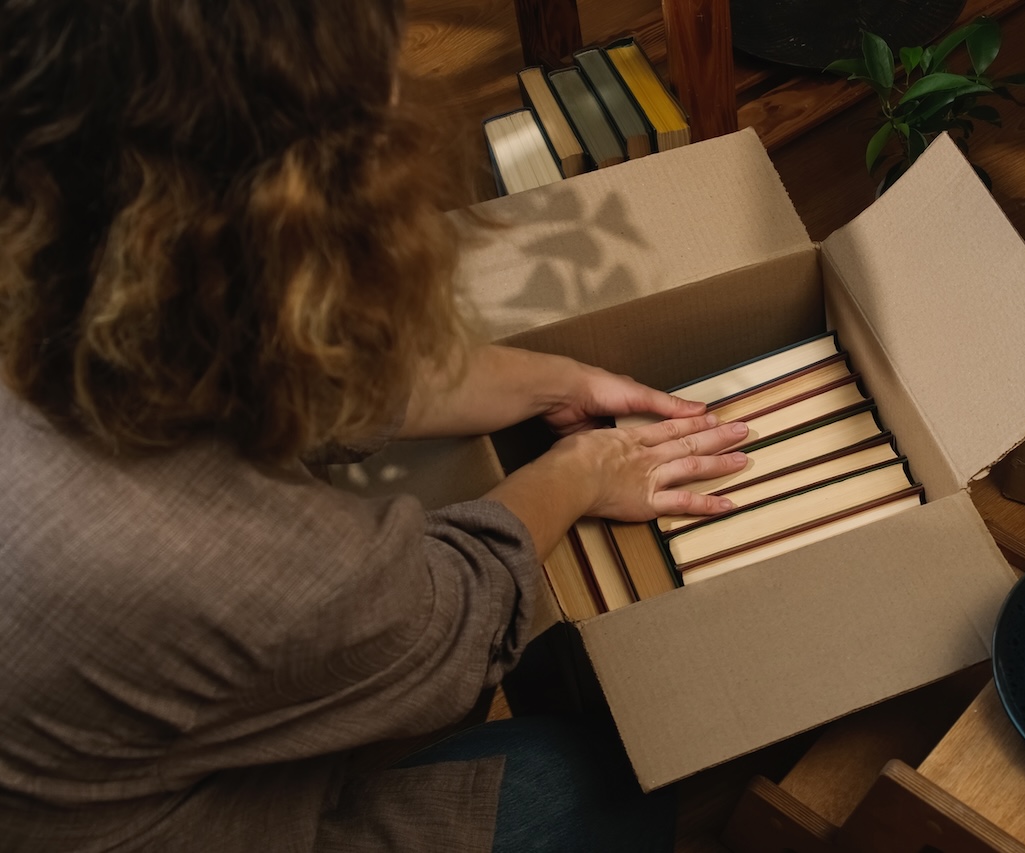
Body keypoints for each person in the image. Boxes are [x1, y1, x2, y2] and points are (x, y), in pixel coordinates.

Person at [0, 1, 749, 850]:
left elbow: (268, 368)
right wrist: (581, 468)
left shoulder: (72, 251)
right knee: (608, 781)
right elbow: (454, 619)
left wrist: (555, 381)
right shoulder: (235, 556)